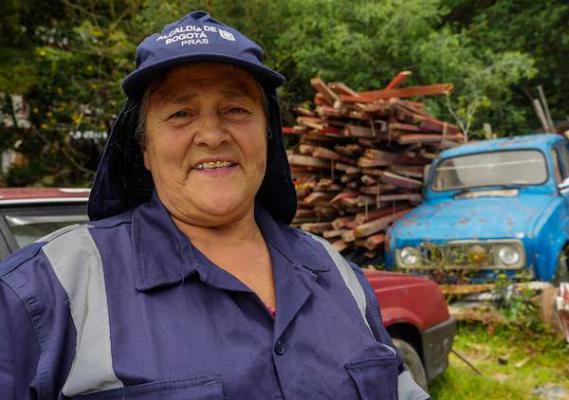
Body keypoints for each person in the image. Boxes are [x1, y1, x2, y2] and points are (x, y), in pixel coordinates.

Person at [0, 11, 429, 400]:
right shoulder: (46, 291)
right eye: (181, 113)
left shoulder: (335, 272)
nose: (212, 134)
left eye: (236, 108)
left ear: (267, 137)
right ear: (144, 148)